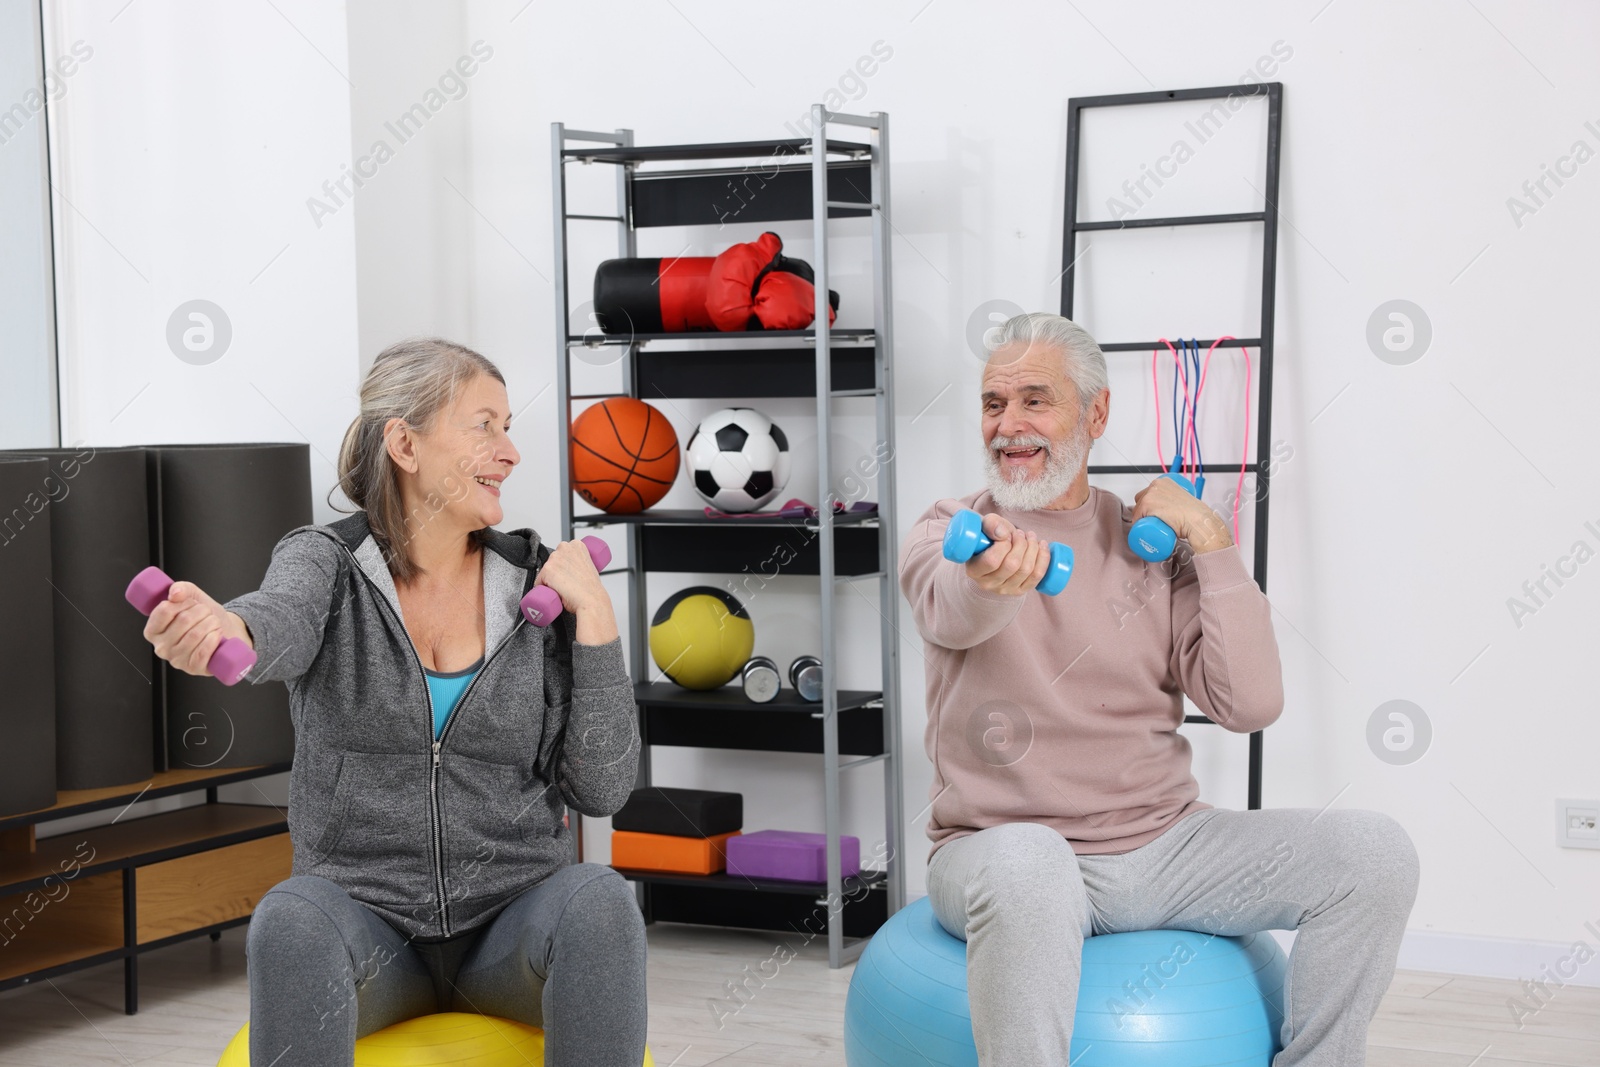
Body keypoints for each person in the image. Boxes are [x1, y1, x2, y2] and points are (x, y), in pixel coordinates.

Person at [898, 313, 1418, 1066]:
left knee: (1376, 852)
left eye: (1034, 400)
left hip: (1164, 845)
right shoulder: (952, 529)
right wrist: (990, 579)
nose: (1008, 425)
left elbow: (1250, 705)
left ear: (1096, 412)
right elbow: (952, 607)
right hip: (996, 850)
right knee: (1034, 865)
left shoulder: (1151, 546)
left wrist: (1211, 542)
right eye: (992, 404)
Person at [140, 338, 647, 1067]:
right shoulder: (326, 565)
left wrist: (596, 621)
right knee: (288, 916)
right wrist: (226, 625)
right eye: (485, 425)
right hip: (368, 931)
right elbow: (277, 620)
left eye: (508, 427)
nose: (510, 452)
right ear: (404, 444)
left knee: (601, 897)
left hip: (509, 928)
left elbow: (600, 788)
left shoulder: (538, 585)